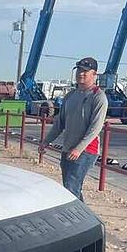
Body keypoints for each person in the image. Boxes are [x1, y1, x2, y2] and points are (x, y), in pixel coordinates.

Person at [45, 56, 107, 201]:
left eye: (86, 71)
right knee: (71, 188)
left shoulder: (98, 97)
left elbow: (95, 127)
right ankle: (85, 219)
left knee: (71, 189)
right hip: (68, 149)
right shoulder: (70, 96)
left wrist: (79, 148)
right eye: (79, 70)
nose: (81, 73)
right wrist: (46, 141)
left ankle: (75, 221)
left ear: (94, 74)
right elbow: (60, 122)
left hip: (86, 150)